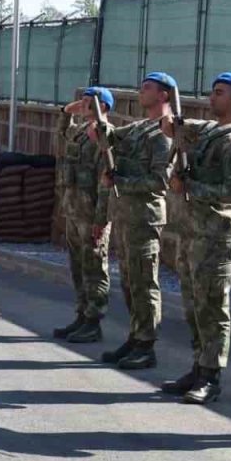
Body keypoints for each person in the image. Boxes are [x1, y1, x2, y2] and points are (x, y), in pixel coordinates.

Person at [159, 73, 231, 404]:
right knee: (193, 304)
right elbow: (176, 127)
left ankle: (212, 377)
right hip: (192, 231)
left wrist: (192, 188)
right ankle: (198, 366)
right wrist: (171, 122)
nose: (212, 98)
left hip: (216, 233)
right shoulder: (210, 131)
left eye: (220, 93)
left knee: (212, 306)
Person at [97, 73, 175, 369]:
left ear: (164, 95)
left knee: (144, 282)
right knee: (130, 282)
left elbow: (159, 181)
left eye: (147, 88)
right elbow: (111, 137)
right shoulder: (140, 127)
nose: (140, 92)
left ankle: (146, 344)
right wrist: (99, 125)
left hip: (145, 218)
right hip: (127, 216)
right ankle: (135, 336)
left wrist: (121, 181)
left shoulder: (165, 133)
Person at [52, 87, 113, 344]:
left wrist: (101, 220)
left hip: (91, 215)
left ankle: (93, 321)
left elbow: (106, 182)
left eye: (90, 102)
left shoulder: (105, 136)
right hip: (74, 211)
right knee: (77, 268)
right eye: (83, 100)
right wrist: (66, 112)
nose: (84, 105)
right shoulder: (79, 132)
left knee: (94, 269)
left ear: (104, 107)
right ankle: (82, 313)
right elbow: (61, 137)